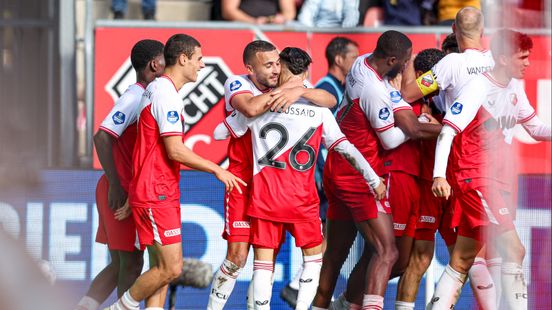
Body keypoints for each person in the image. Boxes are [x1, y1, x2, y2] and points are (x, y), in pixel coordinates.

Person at [214, 47, 386, 310]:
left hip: (266, 196)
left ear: (281, 69)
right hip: (302, 199)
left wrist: (250, 111)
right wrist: (373, 179)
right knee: (313, 259)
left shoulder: (263, 104)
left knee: (263, 262)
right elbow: (345, 148)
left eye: (276, 65)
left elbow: (218, 133)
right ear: (306, 73)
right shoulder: (319, 111)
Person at [105, 34, 246, 310]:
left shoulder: (160, 90)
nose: (202, 65)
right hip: (156, 193)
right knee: (170, 268)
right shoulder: (164, 94)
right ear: (183, 59)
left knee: (161, 270)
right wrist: (217, 169)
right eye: (198, 59)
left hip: (157, 191)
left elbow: (145, 149)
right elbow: (176, 151)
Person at [207, 40, 337, 310]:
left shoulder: (287, 88)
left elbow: (329, 100)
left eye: (278, 63)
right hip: (243, 182)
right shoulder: (237, 83)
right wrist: (290, 89)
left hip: (274, 186)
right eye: (268, 65)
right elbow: (251, 108)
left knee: (267, 257)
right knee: (237, 257)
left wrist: (299, 89)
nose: (276, 69)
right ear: (250, 68)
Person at [428, 29, 551, 310]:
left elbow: (535, 128)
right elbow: (448, 130)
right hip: (476, 177)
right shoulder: (478, 87)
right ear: (505, 58)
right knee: (515, 250)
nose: (528, 63)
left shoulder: (514, 88)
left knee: (462, 258)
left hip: (493, 179)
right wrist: (438, 175)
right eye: (523, 57)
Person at [312, 30, 414, 310]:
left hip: (338, 167)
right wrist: (417, 126)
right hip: (359, 174)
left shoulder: (362, 63)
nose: (406, 66)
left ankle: (326, 306)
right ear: (392, 59)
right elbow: (391, 139)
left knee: (335, 256)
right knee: (387, 251)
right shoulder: (374, 91)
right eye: (405, 61)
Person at [76, 39, 165, 310]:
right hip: (121, 190)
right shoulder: (137, 95)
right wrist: (117, 184)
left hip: (121, 187)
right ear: (154, 64)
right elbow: (102, 137)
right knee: (132, 263)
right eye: (166, 60)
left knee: (120, 265)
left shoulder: (148, 95)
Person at [279, 36, 359, 308]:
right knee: (326, 237)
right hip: (318, 176)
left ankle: (301, 286)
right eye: (353, 57)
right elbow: (323, 139)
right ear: (339, 59)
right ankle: (297, 286)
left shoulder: (333, 88)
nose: (356, 62)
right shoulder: (325, 88)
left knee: (327, 237)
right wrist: (326, 177)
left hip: (319, 174)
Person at [393, 48, 452, 310]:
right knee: (408, 260)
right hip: (421, 188)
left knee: (460, 259)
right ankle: (353, 300)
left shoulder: (450, 96)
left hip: (449, 189)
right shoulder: (410, 104)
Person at [220, 0, 296, 24]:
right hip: (242, 30)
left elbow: (289, 13)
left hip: (272, 32)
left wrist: (280, 19)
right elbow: (228, 11)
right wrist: (254, 21)